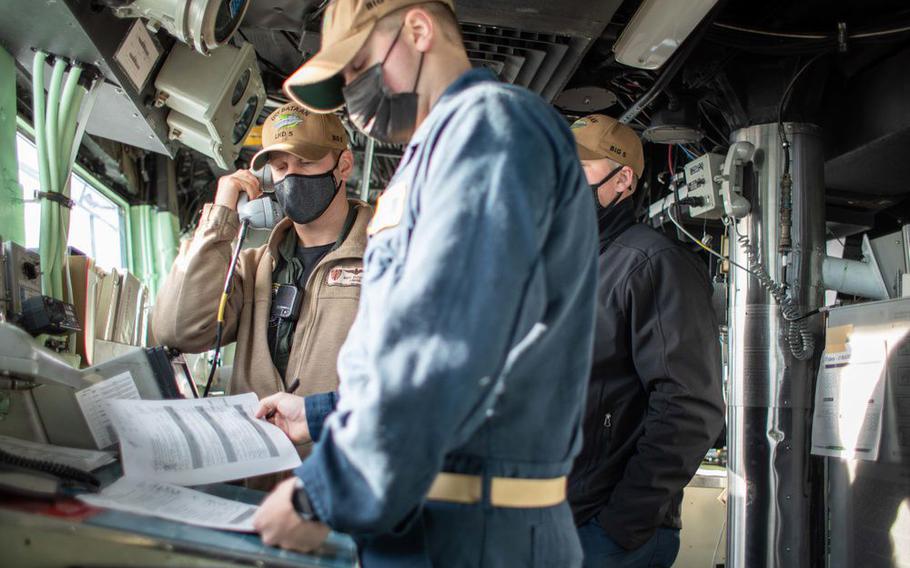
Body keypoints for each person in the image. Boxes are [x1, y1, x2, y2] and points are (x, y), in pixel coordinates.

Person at [251, 0, 599, 565]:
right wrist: (318, 415)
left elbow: (443, 348)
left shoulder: (488, 127)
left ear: (417, 28)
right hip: (428, 525)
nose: (356, 102)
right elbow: (412, 352)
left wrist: (319, 493)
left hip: (474, 534)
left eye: (361, 68)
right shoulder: (430, 157)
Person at [151, 104, 372, 489]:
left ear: (344, 165)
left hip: (337, 489)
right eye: (281, 168)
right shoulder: (254, 265)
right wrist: (221, 217)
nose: (291, 177)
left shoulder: (385, 257)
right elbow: (177, 329)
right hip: (253, 485)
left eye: (304, 162)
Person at [566, 114, 725, 568]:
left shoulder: (650, 263)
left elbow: (689, 406)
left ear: (624, 179)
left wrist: (622, 524)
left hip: (607, 534)